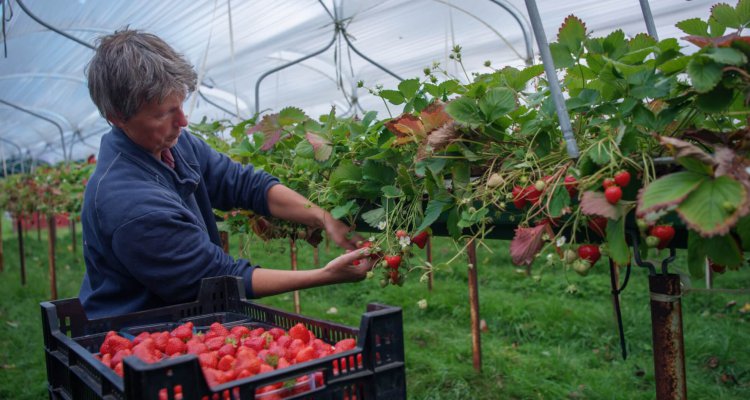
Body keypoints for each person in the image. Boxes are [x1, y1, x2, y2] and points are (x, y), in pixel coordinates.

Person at [78, 29, 373, 319]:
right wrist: (325, 274)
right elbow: (217, 279)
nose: (183, 120)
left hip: (185, 323)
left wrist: (322, 216)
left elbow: (245, 184)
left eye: (180, 105)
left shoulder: (176, 146)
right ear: (117, 117)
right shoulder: (128, 204)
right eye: (162, 113)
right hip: (139, 337)